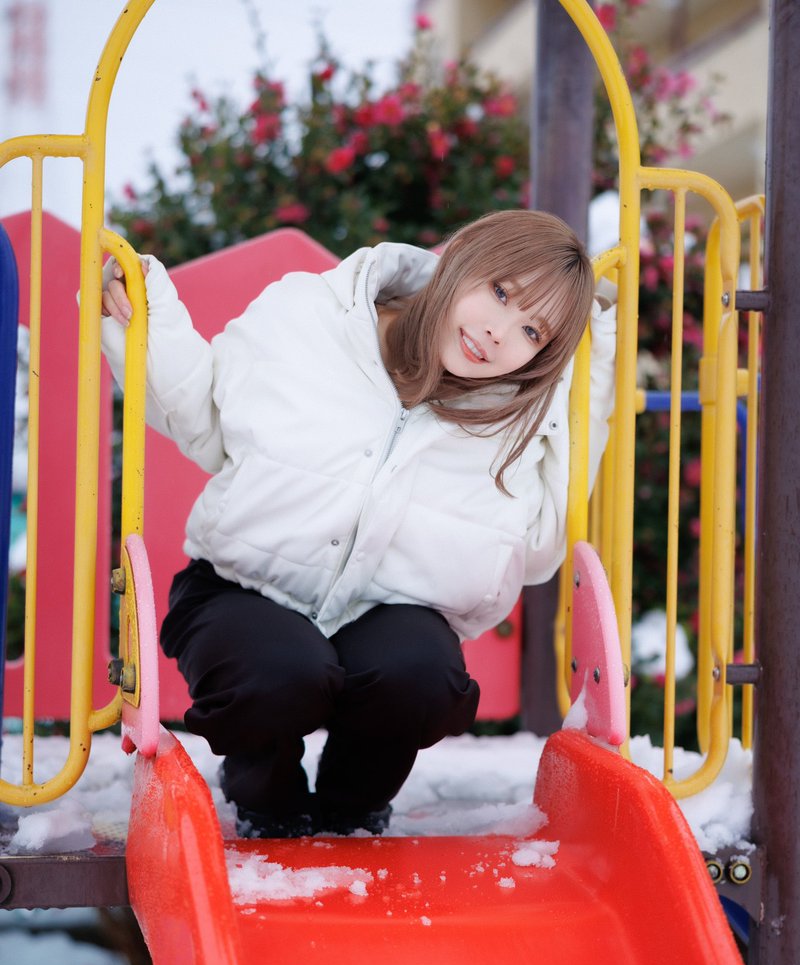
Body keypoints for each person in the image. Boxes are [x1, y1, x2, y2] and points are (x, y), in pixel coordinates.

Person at [100, 209, 616, 838]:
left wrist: (596, 370)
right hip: (242, 588)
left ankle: (354, 811)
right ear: (461, 261)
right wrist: (146, 315)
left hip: (386, 613)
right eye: (500, 292)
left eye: (532, 331)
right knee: (278, 671)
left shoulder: (511, 419)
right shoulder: (317, 316)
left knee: (421, 676)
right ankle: (265, 799)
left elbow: (538, 548)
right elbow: (205, 414)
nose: (497, 332)